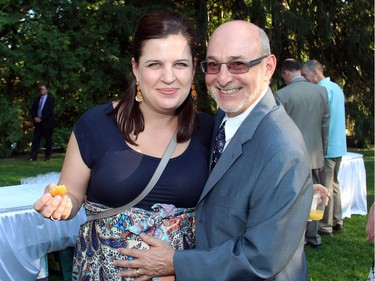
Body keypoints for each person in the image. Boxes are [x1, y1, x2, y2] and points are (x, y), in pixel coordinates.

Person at [115, 20, 313, 281]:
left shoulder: (282, 150)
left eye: (238, 64)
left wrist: (176, 263)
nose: (222, 77)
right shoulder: (225, 116)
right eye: (213, 65)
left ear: (268, 67)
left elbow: (261, 259)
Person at [33, 12, 213, 281]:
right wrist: (60, 203)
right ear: (135, 68)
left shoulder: (211, 132)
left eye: (180, 64)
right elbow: (71, 194)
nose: (168, 77)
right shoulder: (94, 125)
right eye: (154, 64)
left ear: (193, 67)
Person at [275, 58, 330, 248]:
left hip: (292, 155)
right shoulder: (321, 92)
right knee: (315, 197)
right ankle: (313, 237)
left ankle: (294, 237)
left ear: (286, 73)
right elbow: (325, 124)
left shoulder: (281, 95)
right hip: (315, 154)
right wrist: (323, 151)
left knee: (293, 195)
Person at [301, 60, 347, 236]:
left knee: (324, 187)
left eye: (305, 75)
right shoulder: (336, 87)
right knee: (334, 184)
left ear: (315, 73)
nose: (304, 79)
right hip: (339, 145)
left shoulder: (322, 90)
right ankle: (337, 219)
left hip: (328, 147)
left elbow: (321, 120)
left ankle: (325, 225)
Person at [29, 85, 55, 161]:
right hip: (38, 124)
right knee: (36, 140)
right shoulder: (37, 99)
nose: (41, 90)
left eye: (43, 89)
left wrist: (41, 119)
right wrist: (35, 117)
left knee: (48, 141)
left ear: (47, 90)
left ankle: (47, 156)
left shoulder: (50, 100)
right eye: (40, 89)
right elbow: (33, 109)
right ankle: (33, 157)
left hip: (47, 123)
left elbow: (50, 111)